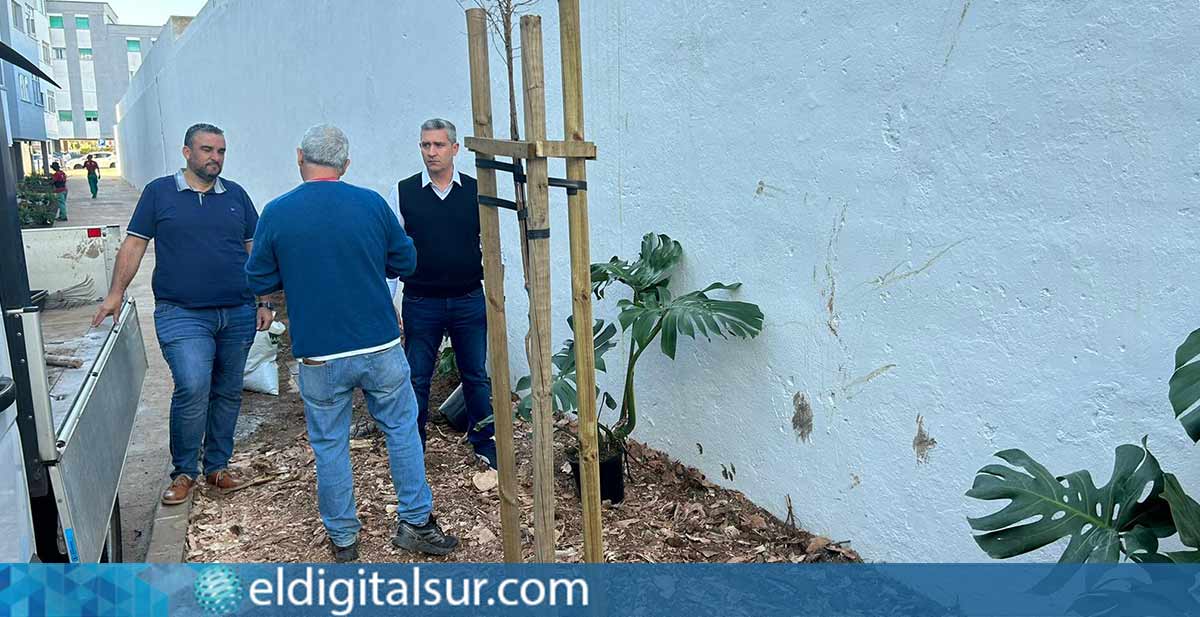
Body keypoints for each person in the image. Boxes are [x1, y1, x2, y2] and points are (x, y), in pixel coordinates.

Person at [246, 124, 458, 562]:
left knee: (329, 444)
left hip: (320, 353)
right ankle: (416, 523)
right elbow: (406, 260)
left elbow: (259, 277)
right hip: (378, 344)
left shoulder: (278, 212)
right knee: (401, 431)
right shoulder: (371, 204)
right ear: (346, 164)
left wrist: (299, 272)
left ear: (300, 156)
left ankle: (344, 540)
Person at [92, 123, 271, 506]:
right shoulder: (159, 193)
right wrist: (115, 293)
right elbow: (134, 243)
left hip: (237, 311)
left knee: (227, 390)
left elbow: (255, 251)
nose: (215, 158)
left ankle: (217, 466)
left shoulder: (236, 196)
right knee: (192, 385)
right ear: (187, 152)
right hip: (182, 313)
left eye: (221, 151)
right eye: (207, 150)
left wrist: (264, 301)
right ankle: (185, 472)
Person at [389, 118, 496, 468]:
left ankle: (485, 443)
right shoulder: (403, 192)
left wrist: (497, 293)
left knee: (475, 375)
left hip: (468, 299)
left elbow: (492, 246)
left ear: (454, 149)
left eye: (437, 145)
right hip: (421, 301)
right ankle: (413, 447)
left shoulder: (476, 191)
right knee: (417, 376)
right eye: (425, 145)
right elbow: (391, 251)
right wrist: (390, 300)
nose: (431, 152)